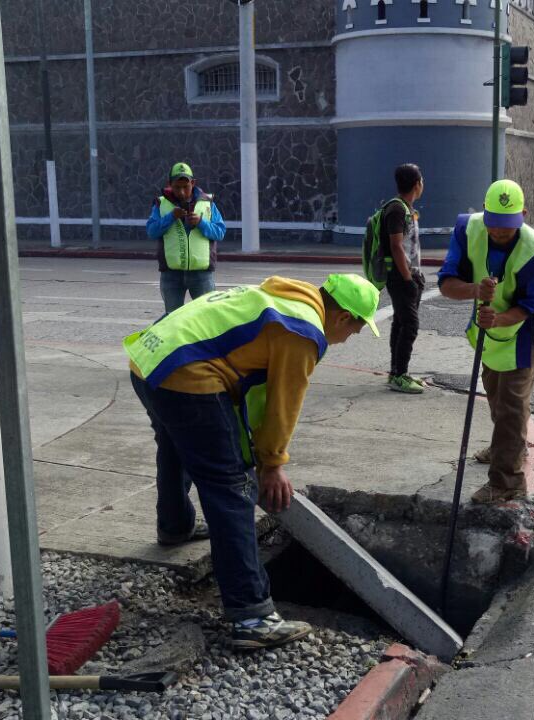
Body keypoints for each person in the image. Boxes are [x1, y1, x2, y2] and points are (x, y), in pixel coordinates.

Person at [125, 273, 380, 649]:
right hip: (187, 373)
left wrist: (259, 452)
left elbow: (254, 393)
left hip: (149, 359)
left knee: (177, 444)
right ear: (343, 317)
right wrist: (271, 465)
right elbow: (282, 404)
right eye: (355, 331)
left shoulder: (278, 297)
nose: (348, 339)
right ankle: (252, 616)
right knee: (231, 486)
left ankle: (175, 526)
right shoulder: (303, 331)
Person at [437, 179, 534, 504]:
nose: (499, 233)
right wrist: (475, 291)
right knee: (493, 387)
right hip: (491, 327)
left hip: (529, 327)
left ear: (523, 214)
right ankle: (505, 445)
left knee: (511, 402)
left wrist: (501, 318)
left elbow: (531, 305)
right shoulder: (469, 231)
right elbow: (446, 284)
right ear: (484, 213)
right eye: (494, 225)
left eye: (507, 227)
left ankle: (507, 482)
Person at [146, 162, 226, 313]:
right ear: (170, 184)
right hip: (171, 274)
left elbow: (220, 232)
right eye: (177, 187)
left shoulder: (207, 203)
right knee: (173, 319)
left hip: (201, 274)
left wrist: (201, 223)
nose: (182, 192)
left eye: (186, 187)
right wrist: (171, 217)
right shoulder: (161, 204)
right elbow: (151, 231)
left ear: (193, 183)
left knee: (207, 318)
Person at [382, 164, 426, 394]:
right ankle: (399, 376)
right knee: (409, 325)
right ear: (417, 184)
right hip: (401, 278)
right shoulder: (397, 210)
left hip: (409, 276)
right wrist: (408, 279)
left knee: (400, 323)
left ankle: (397, 372)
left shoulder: (405, 208)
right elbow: (396, 246)